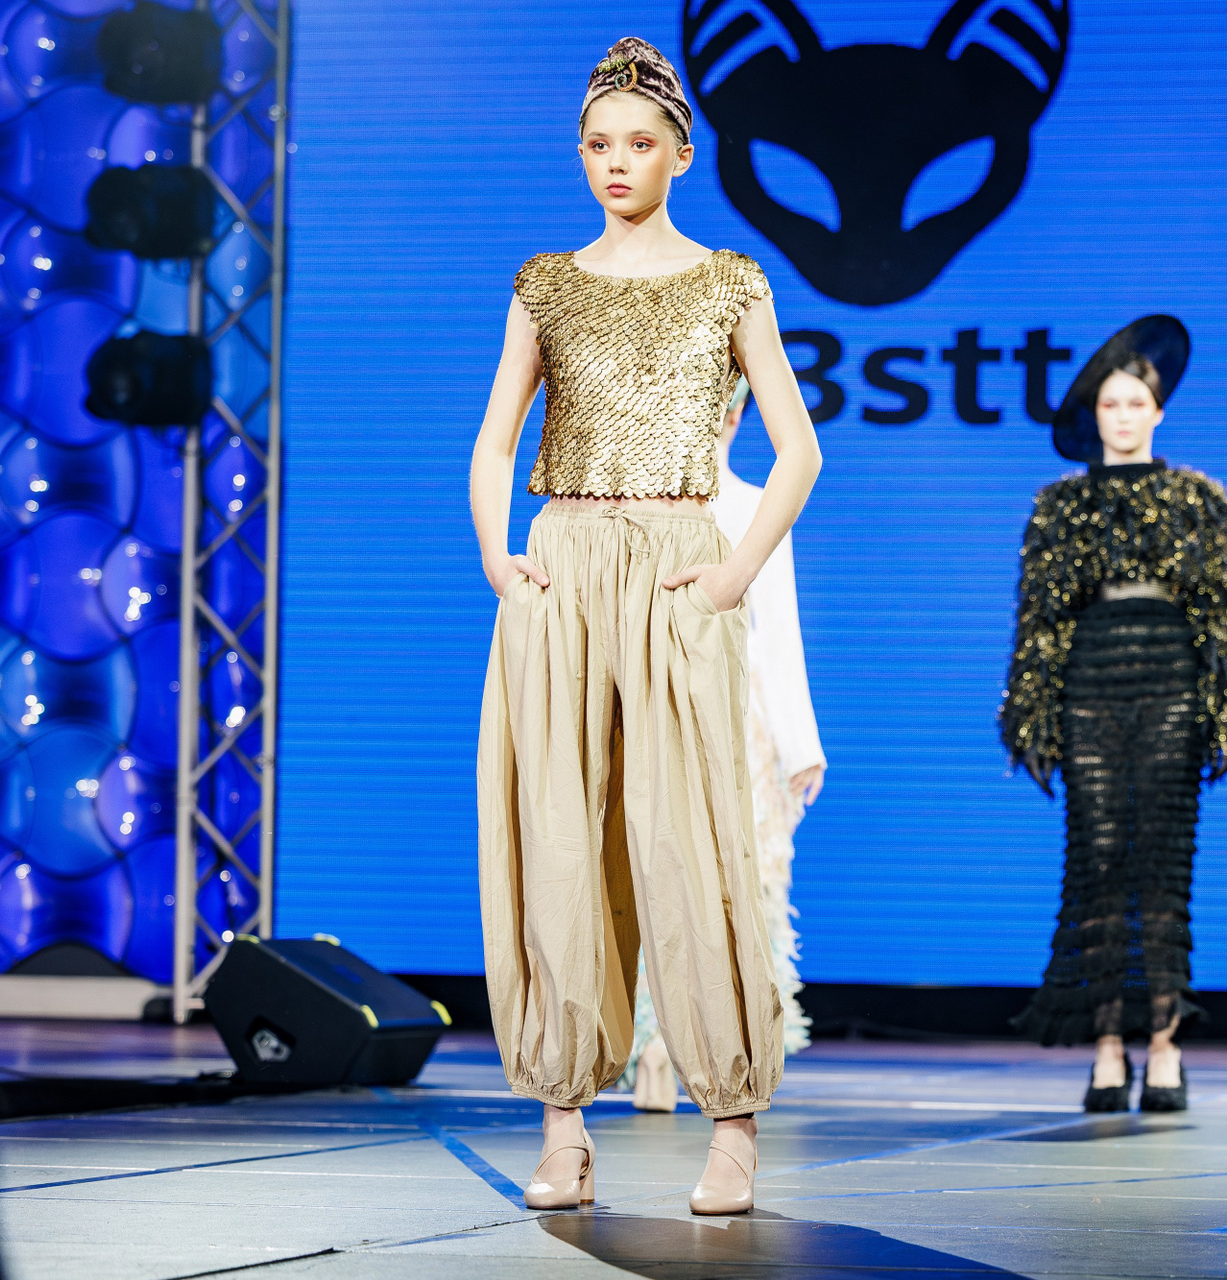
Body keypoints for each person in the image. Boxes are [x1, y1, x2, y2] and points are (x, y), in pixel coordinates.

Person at [469, 37, 820, 1216]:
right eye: (597, 145)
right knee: (559, 835)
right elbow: (495, 441)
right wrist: (499, 558)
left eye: (637, 143)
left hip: (679, 566)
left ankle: (732, 1120)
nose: (615, 162)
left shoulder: (731, 281)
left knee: (691, 838)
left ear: (681, 153)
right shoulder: (544, 283)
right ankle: (564, 1122)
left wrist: (731, 576)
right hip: (564, 563)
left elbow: (799, 451)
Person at [1000, 316, 1227, 1113]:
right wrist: (1032, 715)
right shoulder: (1059, 506)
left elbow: (1222, 614)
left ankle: (1165, 1047)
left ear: (1158, 412)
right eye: (1110, 403)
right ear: (1095, 414)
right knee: (1100, 859)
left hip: (1171, 683)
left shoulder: (1197, 499)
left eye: (1135, 403)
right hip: (1092, 687)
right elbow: (1039, 622)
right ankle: (1108, 1047)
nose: (1122, 416)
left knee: (1163, 865)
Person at [628, 378, 827, 1112]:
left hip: (741, 717)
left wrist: (799, 740)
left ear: (740, 412)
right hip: (655, 705)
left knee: (744, 878)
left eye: (725, 404)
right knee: (656, 869)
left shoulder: (756, 503)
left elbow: (778, 626)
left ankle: (732, 1046)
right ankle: (656, 1042)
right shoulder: (640, 505)